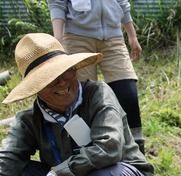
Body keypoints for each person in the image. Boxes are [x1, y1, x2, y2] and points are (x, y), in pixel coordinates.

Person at [0, 33, 156, 176]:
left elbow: (109, 147)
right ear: (36, 88)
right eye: (50, 78)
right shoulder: (29, 120)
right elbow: (6, 161)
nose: (62, 82)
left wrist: (57, 174)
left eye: (66, 71)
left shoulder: (98, 94)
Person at [47, 0, 145, 153]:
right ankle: (87, 157)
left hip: (114, 37)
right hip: (77, 38)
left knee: (128, 97)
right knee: (82, 101)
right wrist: (58, 40)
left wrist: (132, 36)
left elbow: (121, 2)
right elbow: (57, 3)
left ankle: (137, 163)